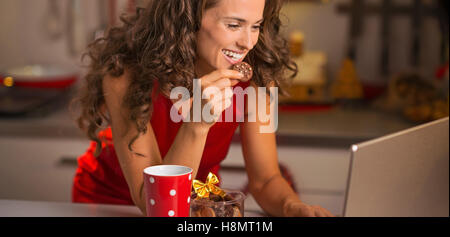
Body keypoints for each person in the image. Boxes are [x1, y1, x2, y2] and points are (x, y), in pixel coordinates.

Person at [71, 0, 334, 217]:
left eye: (256, 26)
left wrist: (292, 207)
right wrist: (197, 124)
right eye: (233, 25)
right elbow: (153, 202)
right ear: (188, 20)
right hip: (109, 203)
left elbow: (266, 179)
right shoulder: (124, 75)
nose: (248, 42)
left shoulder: (259, 77)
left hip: (194, 202)